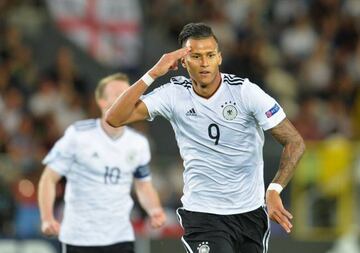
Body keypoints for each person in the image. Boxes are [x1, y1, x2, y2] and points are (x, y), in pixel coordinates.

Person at [105, 23, 306, 253]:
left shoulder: (245, 92)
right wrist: (153, 73)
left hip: (249, 214)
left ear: (219, 58)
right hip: (203, 215)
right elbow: (114, 118)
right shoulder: (173, 94)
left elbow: (295, 142)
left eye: (210, 55)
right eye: (197, 56)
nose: (204, 63)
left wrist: (274, 190)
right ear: (184, 61)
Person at [38, 73, 166, 253]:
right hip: (80, 238)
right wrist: (47, 218)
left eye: (128, 93)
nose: (125, 98)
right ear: (101, 102)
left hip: (120, 237)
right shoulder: (78, 135)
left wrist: (155, 210)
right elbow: (48, 179)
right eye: (117, 94)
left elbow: (143, 186)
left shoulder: (138, 143)